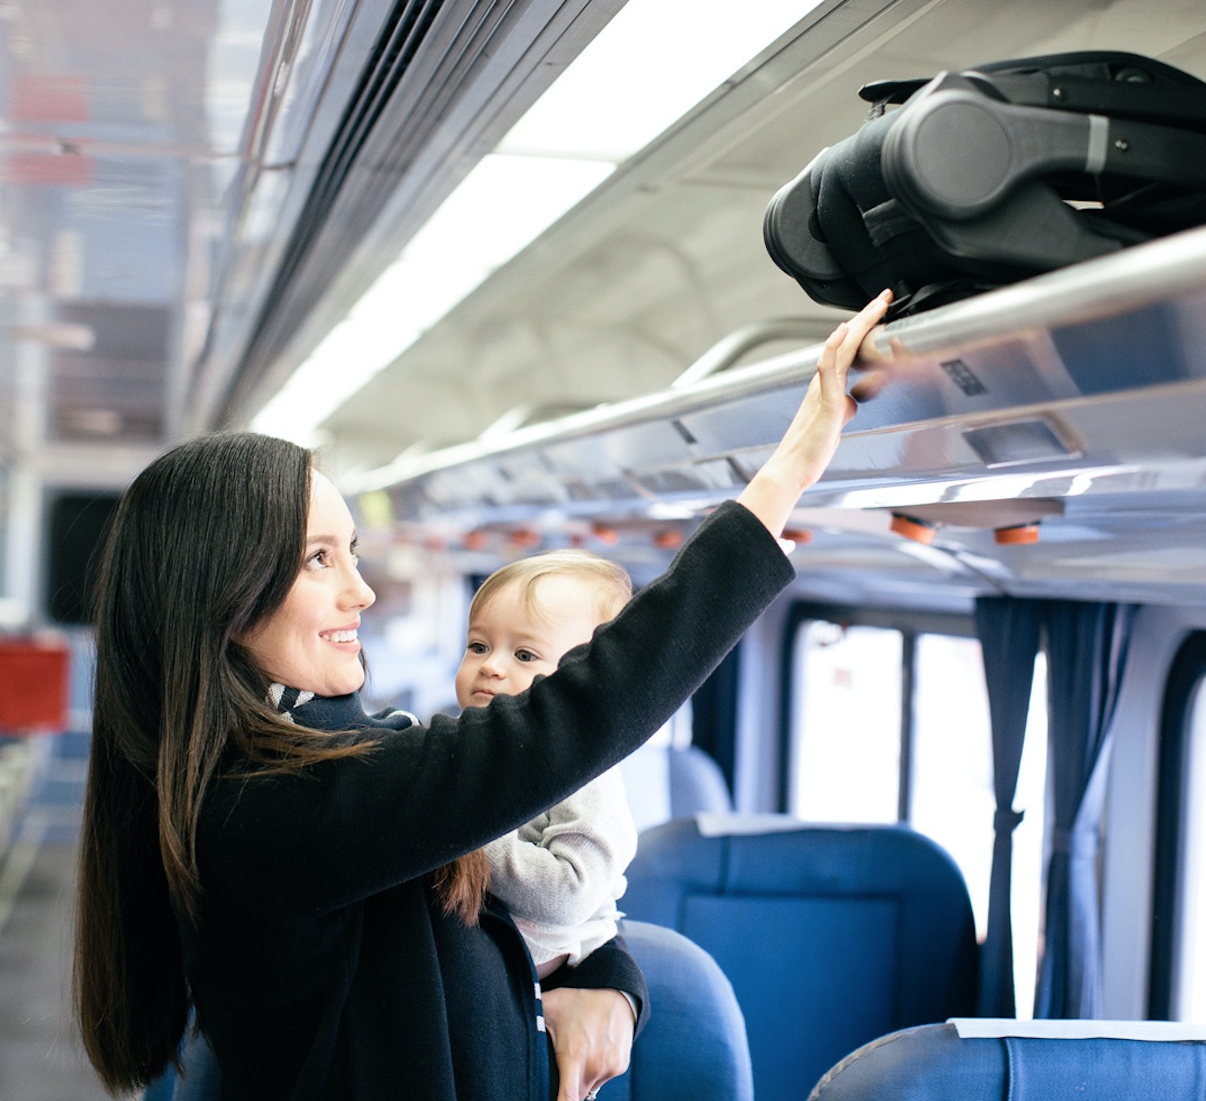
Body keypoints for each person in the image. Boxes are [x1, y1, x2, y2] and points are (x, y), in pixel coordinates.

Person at [72, 290, 890, 1101]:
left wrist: (609, 973)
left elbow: (495, 908)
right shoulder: (268, 812)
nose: (361, 591)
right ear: (225, 595)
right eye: (319, 559)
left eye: (352, 551)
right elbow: (575, 719)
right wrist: (792, 467)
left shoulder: (340, 764)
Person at [455, 550, 638, 981]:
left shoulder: (586, 772)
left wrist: (457, 840)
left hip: (533, 971)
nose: (491, 666)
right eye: (478, 646)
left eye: (524, 655)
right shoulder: (467, 742)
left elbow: (569, 892)